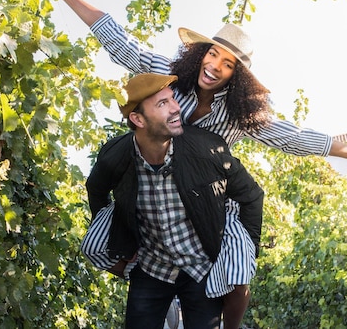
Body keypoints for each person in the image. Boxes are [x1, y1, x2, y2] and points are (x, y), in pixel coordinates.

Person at [28, 0, 347, 329]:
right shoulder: (168, 77)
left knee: (237, 254)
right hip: (155, 198)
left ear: (236, 76)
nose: (215, 66)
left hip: (207, 207)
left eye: (227, 64)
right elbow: (118, 39)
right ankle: (140, 269)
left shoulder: (239, 114)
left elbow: (294, 138)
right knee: (107, 241)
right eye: (213, 54)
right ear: (201, 53)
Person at [86, 72, 264, 328]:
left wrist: (247, 253)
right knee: (91, 244)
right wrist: (120, 240)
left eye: (172, 99)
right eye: (162, 104)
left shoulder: (206, 148)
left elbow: (251, 196)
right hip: (151, 266)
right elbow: (96, 191)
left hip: (200, 266)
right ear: (137, 119)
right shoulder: (115, 156)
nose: (175, 108)